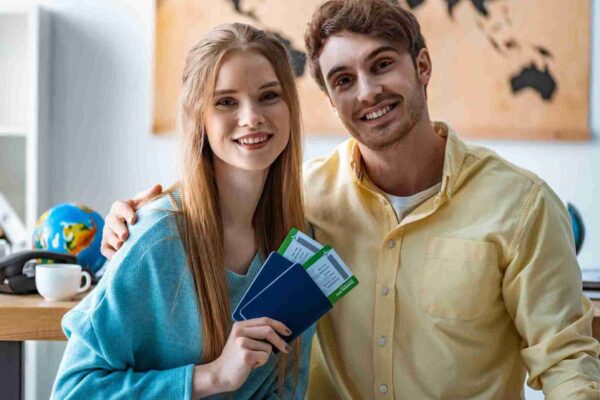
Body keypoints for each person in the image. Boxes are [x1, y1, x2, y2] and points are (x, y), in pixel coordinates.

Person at [101, 1, 600, 399]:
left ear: (422, 65)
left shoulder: (522, 206)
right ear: (329, 99)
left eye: (382, 65)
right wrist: (131, 215)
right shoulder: (299, 198)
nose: (367, 92)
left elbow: (566, 362)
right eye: (343, 80)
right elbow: (212, 191)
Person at [52, 23, 314, 400]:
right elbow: (71, 391)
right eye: (226, 101)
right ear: (199, 117)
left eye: (269, 95)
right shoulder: (156, 238)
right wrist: (212, 376)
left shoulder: (300, 243)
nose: (252, 116)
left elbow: (287, 388)